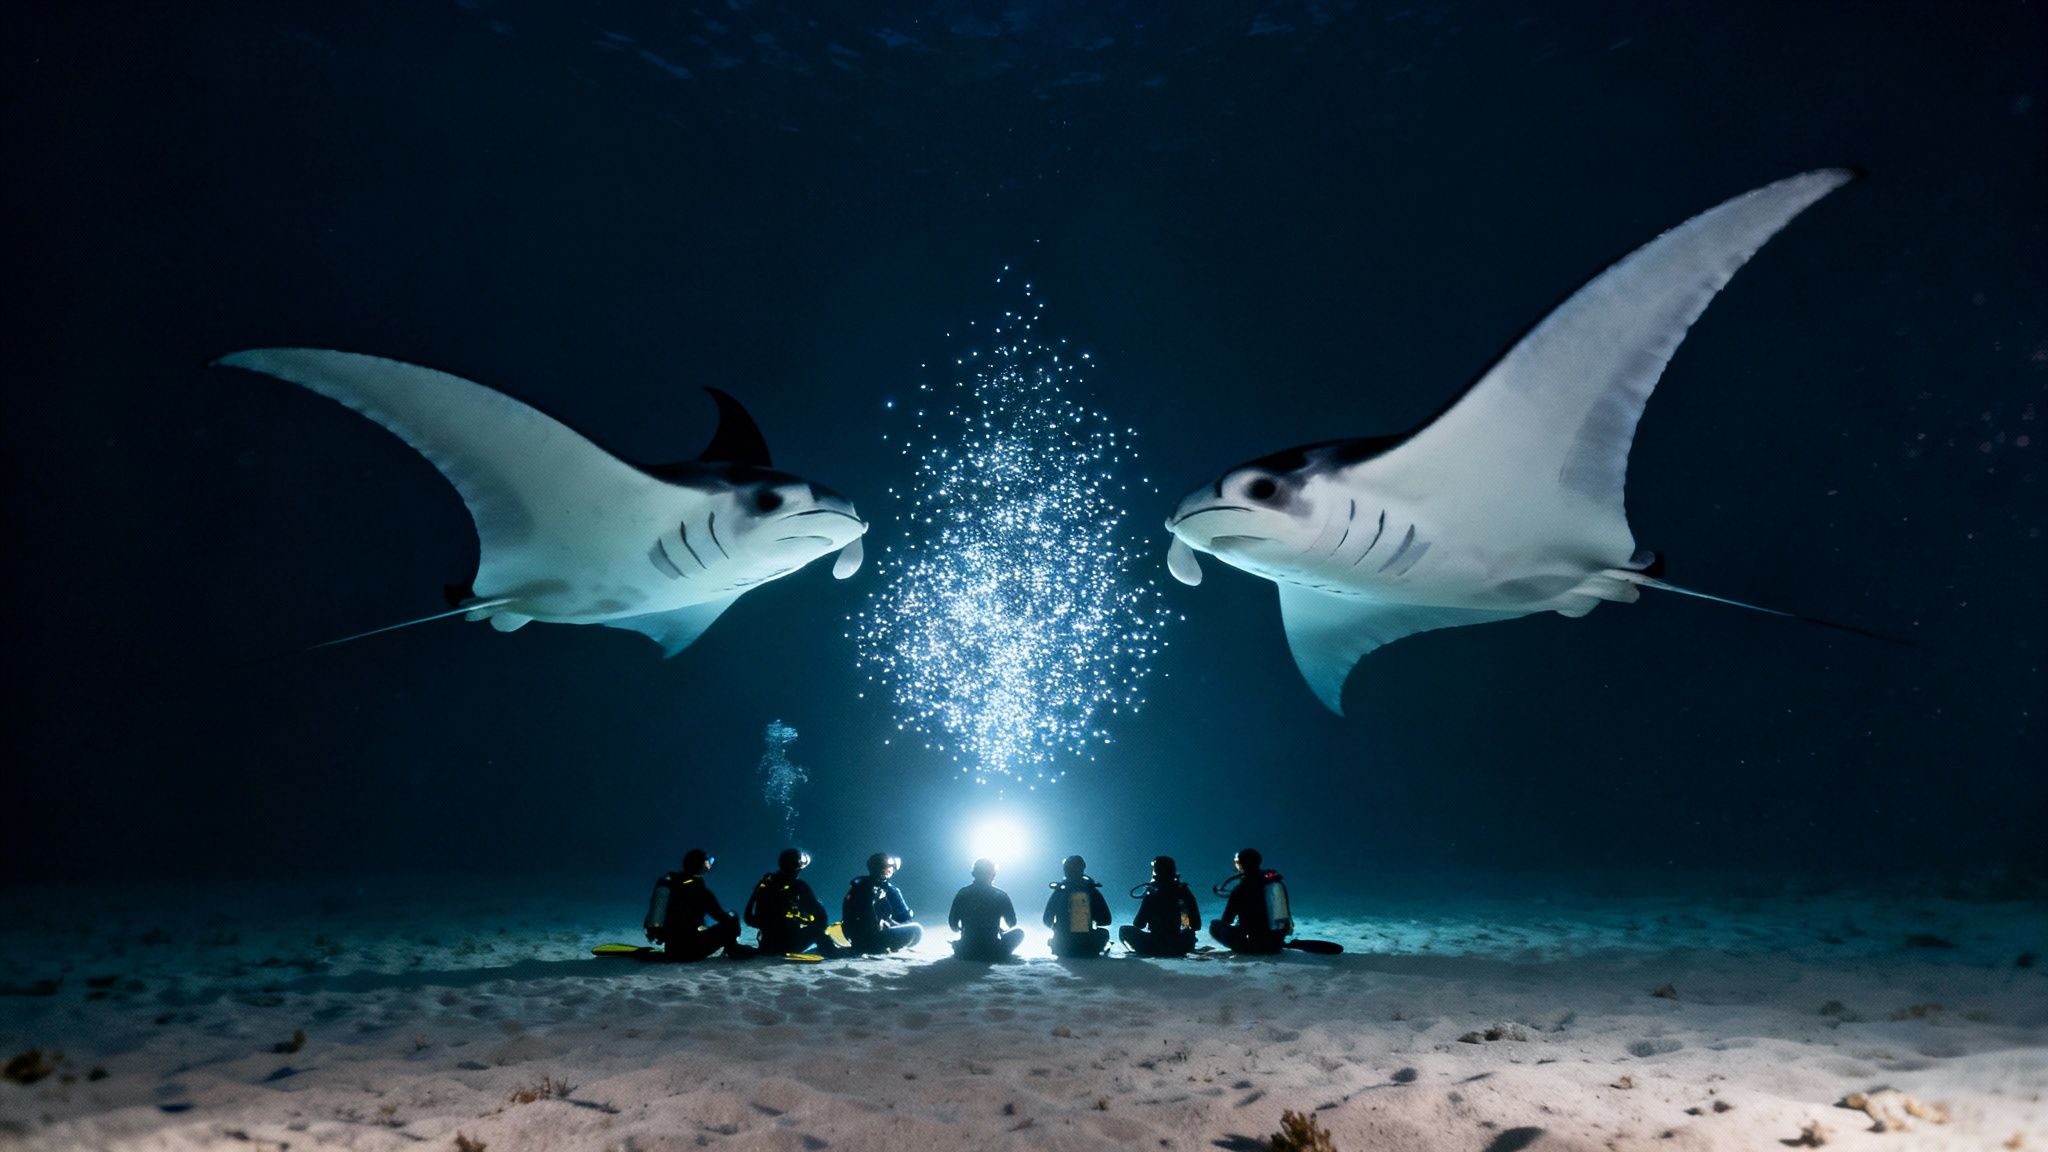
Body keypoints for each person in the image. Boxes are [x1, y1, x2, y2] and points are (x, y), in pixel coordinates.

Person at [644, 848, 752, 960]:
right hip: (692, 951)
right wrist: (732, 920)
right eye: (707, 863)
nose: (709, 867)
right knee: (731, 922)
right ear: (699, 866)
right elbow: (720, 915)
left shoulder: (673, 885)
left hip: (672, 949)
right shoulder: (701, 891)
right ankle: (732, 949)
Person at [744, 848, 841, 957]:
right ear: (798, 867)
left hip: (766, 945)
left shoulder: (765, 883)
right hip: (787, 944)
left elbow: (749, 919)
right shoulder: (798, 886)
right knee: (817, 931)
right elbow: (822, 917)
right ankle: (833, 953)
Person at [1209, 847, 1290, 955]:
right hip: (1276, 945)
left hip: (1254, 946)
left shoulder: (1240, 889)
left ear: (1242, 864)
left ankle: (1244, 948)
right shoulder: (1274, 883)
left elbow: (1227, 919)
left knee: (1215, 925)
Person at [1120, 855, 1201, 958]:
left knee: (1123, 930)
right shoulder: (1183, 891)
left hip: (1153, 944)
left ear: (1155, 871)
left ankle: (1138, 952)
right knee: (1189, 933)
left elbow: (1139, 924)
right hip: (1179, 945)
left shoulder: (1152, 892)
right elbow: (1196, 925)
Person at [843, 852, 923, 954]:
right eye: (889, 867)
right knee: (916, 929)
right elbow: (903, 916)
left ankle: (876, 945)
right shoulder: (878, 889)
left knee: (910, 928)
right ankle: (881, 947)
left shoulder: (860, 886)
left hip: (857, 938)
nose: (892, 869)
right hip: (871, 939)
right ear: (882, 869)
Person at [948, 858, 1024, 961]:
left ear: (974, 873)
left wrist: (965, 929)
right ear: (993, 874)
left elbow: (953, 925)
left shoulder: (962, 893)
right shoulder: (1001, 895)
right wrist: (998, 929)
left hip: (967, 951)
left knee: (963, 944)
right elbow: (1012, 922)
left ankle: (960, 946)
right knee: (1019, 933)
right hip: (992, 950)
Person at [1043, 854, 1112, 958]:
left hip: (1063, 946)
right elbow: (1106, 920)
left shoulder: (1059, 891)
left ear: (1065, 870)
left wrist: (1058, 928)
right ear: (1082, 868)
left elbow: (1046, 920)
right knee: (1104, 932)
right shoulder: (1092, 891)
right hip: (1089, 944)